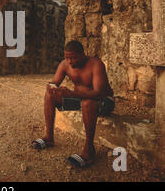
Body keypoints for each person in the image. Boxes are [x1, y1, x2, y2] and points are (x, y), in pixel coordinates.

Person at [31, 40, 115, 168]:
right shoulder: (65, 64)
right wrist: (52, 87)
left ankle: (89, 150)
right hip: (80, 99)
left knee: (88, 103)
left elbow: (98, 93)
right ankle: (49, 138)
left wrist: (72, 94)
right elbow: (55, 82)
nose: (70, 61)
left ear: (82, 54)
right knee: (49, 96)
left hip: (103, 101)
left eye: (73, 57)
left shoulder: (96, 64)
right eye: (67, 58)